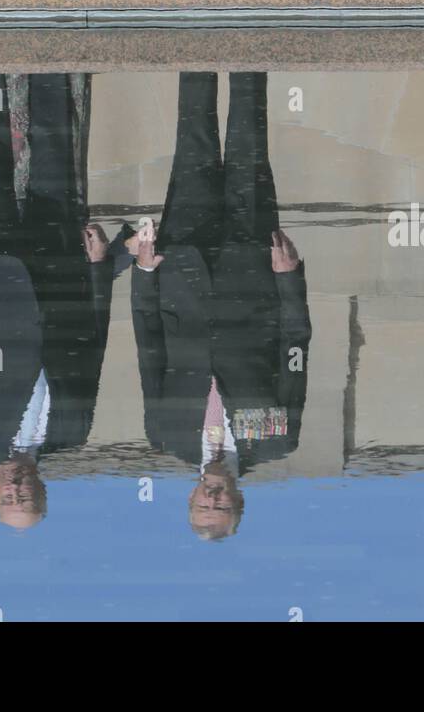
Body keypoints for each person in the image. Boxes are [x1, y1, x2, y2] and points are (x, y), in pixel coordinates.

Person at [0, 74, 132, 527]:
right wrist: (97, 267)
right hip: (57, 258)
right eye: (26, 497)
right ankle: (50, 46)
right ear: (42, 491)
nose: (17, 489)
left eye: (9, 499)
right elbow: (91, 346)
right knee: (53, 139)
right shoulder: (71, 433)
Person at [130, 72, 311, 540]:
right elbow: (295, 346)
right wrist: (289, 278)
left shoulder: (165, 435)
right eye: (222, 506)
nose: (212, 499)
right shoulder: (274, 439)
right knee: (249, 141)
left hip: (180, 267)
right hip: (253, 267)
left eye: (202, 506)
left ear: (190, 498)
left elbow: (148, 343)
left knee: (193, 140)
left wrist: (145, 272)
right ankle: (250, 40)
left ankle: (197, 39)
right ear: (238, 501)